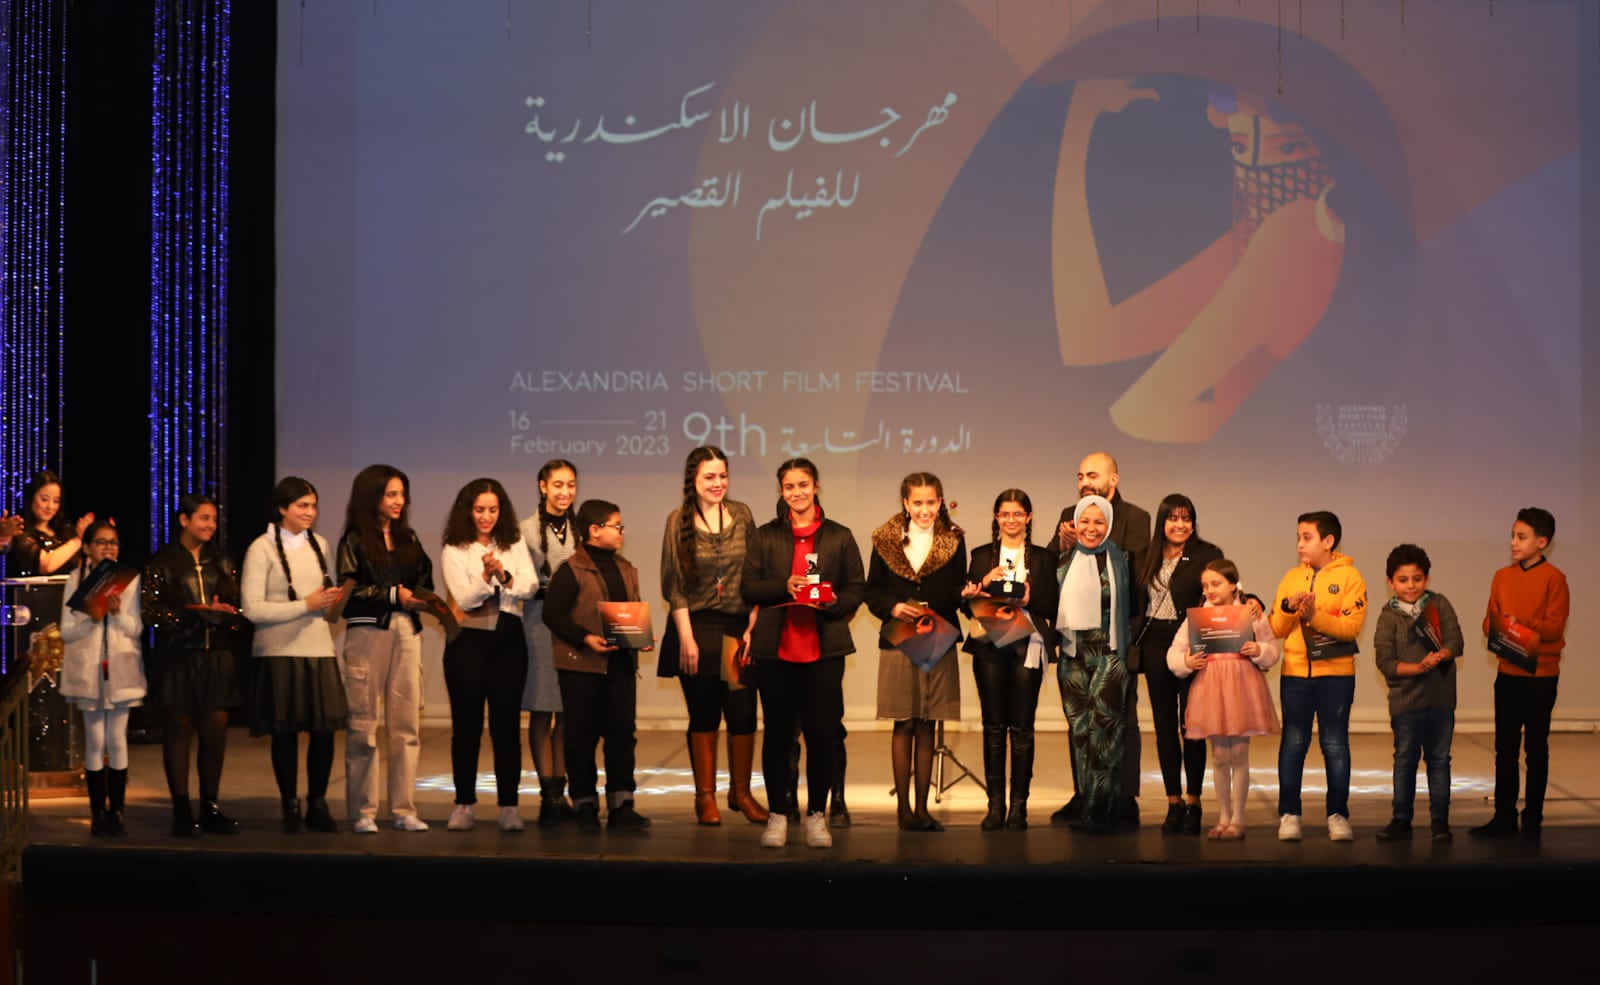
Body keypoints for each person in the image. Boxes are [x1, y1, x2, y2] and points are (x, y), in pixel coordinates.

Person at [742, 458, 865, 849]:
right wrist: (785, 585)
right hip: (776, 652)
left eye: (803, 485)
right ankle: (778, 815)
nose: (797, 492)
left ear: (816, 487)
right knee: (778, 737)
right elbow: (748, 587)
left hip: (823, 652)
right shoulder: (765, 536)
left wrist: (830, 601)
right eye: (789, 486)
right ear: (781, 491)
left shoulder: (839, 536)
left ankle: (816, 816)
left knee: (822, 736)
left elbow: (856, 587)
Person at [658, 447, 767, 826]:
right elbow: (673, 586)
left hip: (737, 628)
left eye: (723, 475)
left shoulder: (742, 514)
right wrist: (686, 638)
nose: (718, 483)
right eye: (709, 477)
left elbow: (756, 575)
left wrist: (753, 625)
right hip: (696, 627)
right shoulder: (678, 520)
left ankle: (741, 793)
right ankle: (704, 797)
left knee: (742, 713)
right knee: (704, 714)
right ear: (693, 480)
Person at [240, 477, 348, 834]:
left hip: (319, 649)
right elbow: (252, 608)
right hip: (278, 652)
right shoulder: (261, 548)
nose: (310, 512)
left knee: (324, 731)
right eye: (302, 505)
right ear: (282, 508)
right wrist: (306, 605)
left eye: (313, 506)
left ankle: (318, 802)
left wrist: (332, 602)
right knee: (284, 732)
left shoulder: (321, 544)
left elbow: (324, 600)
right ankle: (289, 803)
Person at [1051, 453, 1150, 828]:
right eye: (1079, 476)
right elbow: (1052, 573)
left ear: (1114, 479)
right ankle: (1086, 795)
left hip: (1115, 640)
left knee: (1117, 723)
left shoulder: (1136, 518)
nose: (1084, 483)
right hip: (1076, 646)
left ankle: (1121, 798)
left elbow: (1136, 579)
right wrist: (1062, 545)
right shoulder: (1068, 515)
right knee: (1080, 725)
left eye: (1092, 475)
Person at [336, 465, 434, 833]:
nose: (398, 501)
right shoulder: (354, 540)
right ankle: (363, 811)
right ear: (372, 496)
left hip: (406, 630)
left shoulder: (409, 538)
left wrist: (423, 599)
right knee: (363, 723)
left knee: (406, 724)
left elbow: (424, 580)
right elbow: (348, 594)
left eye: (402, 494)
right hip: (367, 632)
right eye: (391, 494)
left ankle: (403, 809)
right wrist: (392, 595)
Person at [868, 472, 967, 832]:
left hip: (937, 638)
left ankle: (923, 810)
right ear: (906, 504)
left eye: (931, 502)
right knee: (904, 722)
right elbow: (872, 591)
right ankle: (904, 810)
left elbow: (955, 591)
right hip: (899, 639)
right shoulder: (885, 540)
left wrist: (968, 594)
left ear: (940, 502)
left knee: (928, 723)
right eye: (918, 503)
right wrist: (892, 607)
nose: (925, 510)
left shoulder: (954, 540)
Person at [142, 493, 246, 837]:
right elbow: (150, 612)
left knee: (215, 732)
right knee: (179, 731)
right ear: (184, 520)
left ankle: (210, 806)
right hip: (179, 657)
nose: (210, 525)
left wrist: (227, 615)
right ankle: (182, 809)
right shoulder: (163, 562)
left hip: (217, 656)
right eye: (203, 518)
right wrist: (192, 616)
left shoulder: (222, 560)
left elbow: (238, 606)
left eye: (213, 519)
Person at [545, 499, 650, 833]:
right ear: (594, 530)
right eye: (616, 526)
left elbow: (631, 610)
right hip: (581, 667)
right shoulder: (571, 569)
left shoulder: (626, 568)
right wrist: (585, 639)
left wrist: (641, 637)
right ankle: (585, 803)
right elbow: (553, 615)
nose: (621, 532)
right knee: (581, 736)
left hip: (619, 666)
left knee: (622, 735)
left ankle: (622, 805)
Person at [440, 478, 537, 832]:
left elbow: (530, 585)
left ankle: (509, 806)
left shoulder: (513, 542)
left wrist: (505, 575)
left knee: (506, 726)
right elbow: (464, 598)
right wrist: (485, 576)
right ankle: (463, 804)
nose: (486, 517)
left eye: (493, 510)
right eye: (479, 509)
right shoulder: (454, 548)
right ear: (467, 511)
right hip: (467, 641)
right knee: (466, 725)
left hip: (508, 638)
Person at [960, 489, 1058, 831]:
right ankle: (995, 806)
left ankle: (1019, 807)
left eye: (1018, 513)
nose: (1011, 520)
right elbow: (966, 605)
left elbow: (1053, 604)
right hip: (989, 645)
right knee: (993, 726)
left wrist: (1031, 598)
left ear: (1028, 517)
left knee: (1022, 728)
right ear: (996, 517)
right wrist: (980, 587)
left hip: (1027, 645)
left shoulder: (1043, 558)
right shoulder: (981, 556)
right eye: (1005, 514)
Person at [1268, 510, 1368, 843]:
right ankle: (1289, 814)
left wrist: (1314, 615)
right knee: (1293, 743)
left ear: (1328, 541)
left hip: (1336, 676)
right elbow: (1276, 628)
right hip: (1295, 674)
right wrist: (1288, 608)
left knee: (1335, 743)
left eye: (1307, 537)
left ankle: (1338, 815)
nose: (1300, 544)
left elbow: (1350, 628)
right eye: (1298, 537)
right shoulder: (1291, 577)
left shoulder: (1351, 577)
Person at [1471, 508, 1569, 841]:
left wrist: (1518, 623)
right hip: (1509, 672)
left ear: (1542, 542)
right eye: (1512, 535)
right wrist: (1501, 626)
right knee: (1505, 748)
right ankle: (1504, 816)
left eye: (1521, 537)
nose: (1513, 542)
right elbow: (1488, 622)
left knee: (1536, 749)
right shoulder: (1502, 576)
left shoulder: (1554, 579)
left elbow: (1554, 629)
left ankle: (1532, 819)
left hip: (1541, 676)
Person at [1166, 559, 1281, 839]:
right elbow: (1174, 652)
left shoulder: (1250, 613)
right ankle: (1223, 817)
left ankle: (1238, 819)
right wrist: (1187, 661)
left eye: (1216, 584)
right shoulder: (1199, 618)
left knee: (1239, 754)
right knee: (1219, 756)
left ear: (1233, 584)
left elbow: (1272, 649)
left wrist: (1258, 650)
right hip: (1211, 687)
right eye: (1205, 585)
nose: (1210, 590)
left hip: (1241, 686)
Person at [1132, 494, 1224, 835]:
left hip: (1192, 641)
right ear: (1162, 522)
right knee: (1164, 726)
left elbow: (1225, 591)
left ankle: (1194, 800)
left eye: (1186, 518)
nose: (1180, 525)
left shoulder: (1207, 554)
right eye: (1173, 518)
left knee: (1192, 725)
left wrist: (1252, 601)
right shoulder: (1144, 555)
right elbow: (1135, 605)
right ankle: (1173, 801)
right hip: (1155, 644)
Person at [58, 520, 146, 837]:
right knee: (95, 740)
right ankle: (97, 813)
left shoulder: (128, 579)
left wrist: (118, 613)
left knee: (118, 739)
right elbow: (67, 631)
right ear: (87, 548)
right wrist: (91, 616)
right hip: (88, 672)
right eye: (101, 542)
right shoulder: (75, 579)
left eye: (113, 542)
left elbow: (136, 628)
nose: (108, 548)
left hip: (121, 670)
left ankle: (117, 811)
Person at [1372, 544, 1464, 842]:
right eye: (1403, 580)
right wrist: (1418, 667)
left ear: (1426, 578)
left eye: (1417, 578)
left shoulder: (1439, 604)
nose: (1411, 585)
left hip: (1440, 699)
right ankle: (1401, 819)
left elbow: (1456, 641)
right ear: (1390, 582)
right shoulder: (1388, 616)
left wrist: (1442, 654)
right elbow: (1385, 662)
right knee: (1405, 759)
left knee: (1439, 760)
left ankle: (1440, 822)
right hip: (1405, 702)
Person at [520, 459, 580, 826]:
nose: (565, 492)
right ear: (543, 486)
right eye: (558, 485)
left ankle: (562, 788)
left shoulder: (580, 527)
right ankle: (547, 794)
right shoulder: (524, 530)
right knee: (543, 709)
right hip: (539, 623)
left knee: (568, 711)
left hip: (575, 623)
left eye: (571, 485)